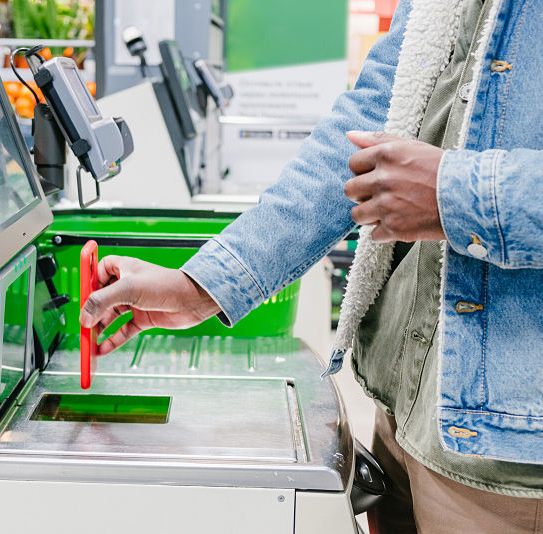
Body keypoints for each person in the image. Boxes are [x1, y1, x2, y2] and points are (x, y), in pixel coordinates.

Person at [79, 0, 543, 532]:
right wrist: (203, 284)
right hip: (409, 400)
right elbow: (368, 119)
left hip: (510, 442)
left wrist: (457, 194)